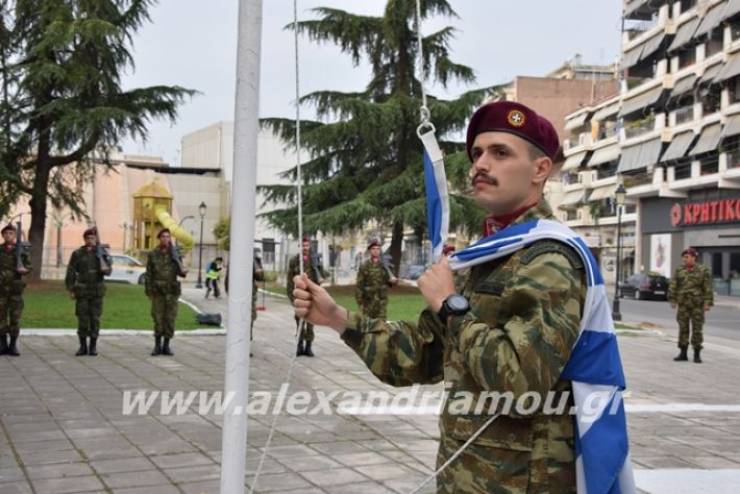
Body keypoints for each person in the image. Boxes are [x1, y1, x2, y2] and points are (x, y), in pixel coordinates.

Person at [292, 101, 587, 492]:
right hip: (468, 476)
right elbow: (421, 356)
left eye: (501, 153)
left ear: (540, 169)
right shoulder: (489, 256)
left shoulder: (549, 258)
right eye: (478, 153)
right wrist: (337, 318)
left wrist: (451, 306)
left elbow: (522, 386)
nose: (481, 164)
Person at [65, 227, 112, 356]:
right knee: (82, 319)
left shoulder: (102, 253)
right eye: (88, 238)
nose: (90, 240)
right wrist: (71, 289)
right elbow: (71, 272)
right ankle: (82, 346)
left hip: (96, 291)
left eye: (93, 238)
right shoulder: (78, 253)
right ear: (84, 239)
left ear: (96, 239)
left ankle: (93, 347)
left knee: (95, 319)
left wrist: (104, 263)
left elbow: (108, 272)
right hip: (82, 291)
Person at [145, 229, 187, 356]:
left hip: (171, 292)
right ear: (159, 238)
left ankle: (166, 346)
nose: (165, 239)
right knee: (158, 319)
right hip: (158, 292)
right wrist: (149, 291)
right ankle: (157, 346)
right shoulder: (153, 254)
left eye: (168, 237)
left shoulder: (175, 253)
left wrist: (183, 270)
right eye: (163, 236)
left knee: (170, 319)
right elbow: (148, 275)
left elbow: (181, 272)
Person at [668, 247, 713, 363]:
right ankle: (683, 353)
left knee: (697, 329)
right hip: (683, 304)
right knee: (683, 328)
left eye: (687, 257)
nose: (684, 259)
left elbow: (707, 288)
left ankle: (697, 354)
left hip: (697, 305)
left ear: (694, 257)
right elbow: (673, 285)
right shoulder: (679, 270)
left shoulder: (703, 270)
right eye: (683, 257)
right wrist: (672, 300)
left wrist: (707, 303)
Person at [287, 237, 328, 357]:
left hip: (312, 296)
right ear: (300, 247)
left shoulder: (314, 259)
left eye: (307, 246)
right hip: (299, 296)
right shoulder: (294, 261)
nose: (305, 248)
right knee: (299, 322)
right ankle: (299, 346)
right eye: (303, 246)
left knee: (311, 322)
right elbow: (290, 281)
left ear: (309, 246)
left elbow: (322, 275)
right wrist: (292, 298)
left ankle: (308, 347)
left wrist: (321, 278)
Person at [0, 224, 31, 356]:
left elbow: (29, 266)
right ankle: (2, 344)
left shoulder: (22, 250)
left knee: (15, 318)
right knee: (1, 318)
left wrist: (25, 270)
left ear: (14, 235)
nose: (8, 236)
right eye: (6, 233)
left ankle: (13, 345)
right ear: (3, 235)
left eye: (11, 233)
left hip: (15, 290)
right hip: (0, 290)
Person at [355, 239, 397, 319]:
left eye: (378, 249)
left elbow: (390, 282)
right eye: (373, 249)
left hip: (381, 303)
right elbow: (359, 286)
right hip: (368, 303)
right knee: (368, 327)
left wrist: (393, 281)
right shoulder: (364, 266)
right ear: (370, 250)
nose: (376, 251)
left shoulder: (384, 266)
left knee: (381, 326)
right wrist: (360, 303)